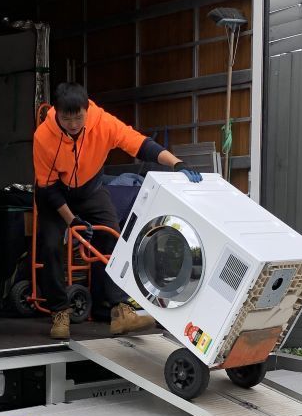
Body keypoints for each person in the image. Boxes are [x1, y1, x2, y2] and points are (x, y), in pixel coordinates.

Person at [33, 82, 203, 340]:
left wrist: (176, 163)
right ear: (56, 113)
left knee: (114, 236)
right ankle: (59, 312)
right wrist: (72, 220)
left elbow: (139, 144)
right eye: (66, 119)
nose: (74, 124)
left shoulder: (103, 123)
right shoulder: (43, 137)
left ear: (87, 109)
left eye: (79, 117)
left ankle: (117, 309)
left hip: (90, 189)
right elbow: (48, 188)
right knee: (51, 246)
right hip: (55, 195)